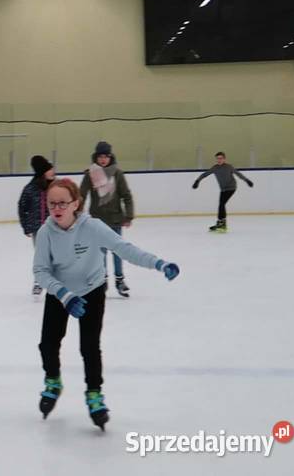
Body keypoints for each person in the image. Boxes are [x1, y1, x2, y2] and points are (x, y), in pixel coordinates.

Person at [33, 179, 179, 430]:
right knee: (48, 342)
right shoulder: (46, 232)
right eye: (51, 203)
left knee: (89, 346)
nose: (56, 208)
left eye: (62, 203)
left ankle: (94, 393)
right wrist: (65, 295)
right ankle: (53, 381)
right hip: (61, 293)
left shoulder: (92, 227)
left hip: (92, 290)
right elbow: (40, 272)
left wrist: (159, 263)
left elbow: (124, 249)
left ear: (75, 204)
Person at [79, 141, 135, 297]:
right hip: (97, 221)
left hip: (115, 220)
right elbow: (81, 196)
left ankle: (120, 280)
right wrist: (76, 213)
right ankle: (102, 281)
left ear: (110, 157)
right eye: (100, 157)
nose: (103, 160)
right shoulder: (90, 174)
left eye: (106, 156)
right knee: (100, 253)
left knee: (117, 252)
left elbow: (126, 196)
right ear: (96, 157)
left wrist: (128, 215)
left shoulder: (117, 174)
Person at [18, 155, 56, 297]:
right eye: (49, 169)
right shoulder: (30, 188)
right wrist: (26, 226)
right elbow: (22, 206)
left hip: (55, 227)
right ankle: (38, 282)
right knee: (41, 256)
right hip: (38, 229)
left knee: (56, 254)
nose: (53, 172)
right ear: (42, 172)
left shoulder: (55, 186)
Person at [192, 151, 254, 233]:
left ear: (224, 159)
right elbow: (205, 174)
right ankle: (220, 223)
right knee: (221, 204)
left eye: (221, 158)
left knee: (222, 204)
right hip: (223, 189)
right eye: (217, 159)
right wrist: (197, 181)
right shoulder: (215, 168)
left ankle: (222, 224)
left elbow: (238, 174)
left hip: (231, 188)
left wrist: (247, 180)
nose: (219, 160)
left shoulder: (229, 167)